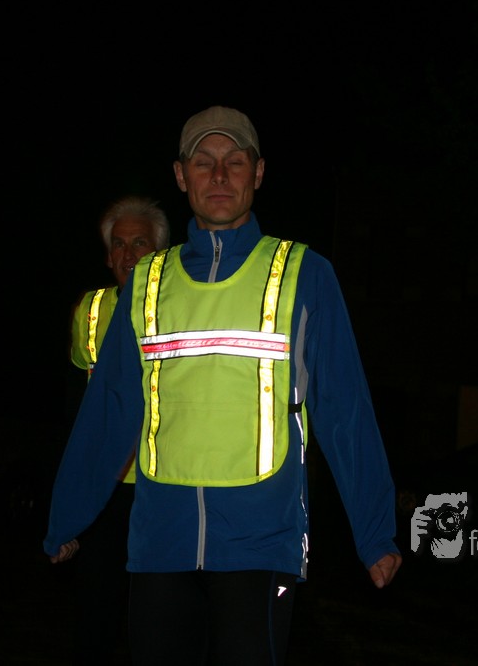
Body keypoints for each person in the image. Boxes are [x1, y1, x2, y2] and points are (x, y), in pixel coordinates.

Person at [45, 105, 401, 666]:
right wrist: (68, 517)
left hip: (262, 542)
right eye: (203, 162)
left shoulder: (304, 274)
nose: (218, 175)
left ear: (257, 173)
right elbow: (109, 411)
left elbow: (345, 408)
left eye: (234, 161)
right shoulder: (146, 283)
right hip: (160, 543)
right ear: (180, 175)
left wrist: (374, 532)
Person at [63, 195, 170, 665]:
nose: (128, 255)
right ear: (108, 256)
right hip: (105, 489)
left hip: (163, 488)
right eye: (119, 245)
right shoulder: (88, 310)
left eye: (140, 243)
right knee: (95, 618)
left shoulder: (183, 307)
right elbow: (76, 411)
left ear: (160, 253)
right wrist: (69, 506)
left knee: (157, 622)